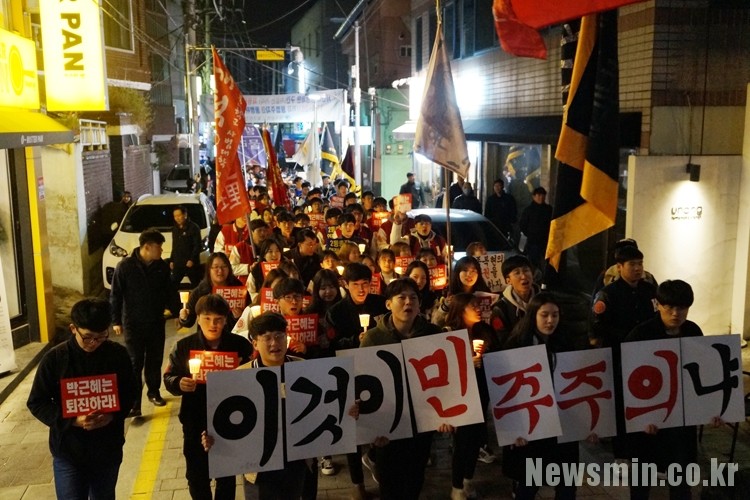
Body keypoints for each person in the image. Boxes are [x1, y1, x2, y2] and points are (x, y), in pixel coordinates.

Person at [27, 298, 136, 500]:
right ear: (73, 329)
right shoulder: (55, 359)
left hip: (107, 450)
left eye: (101, 336)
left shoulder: (117, 355)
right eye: (87, 337)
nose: (94, 343)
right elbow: (37, 402)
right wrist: (74, 420)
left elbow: (130, 392)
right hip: (69, 452)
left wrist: (112, 416)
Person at [624, 280, 713, 500]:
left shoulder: (693, 331)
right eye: (669, 307)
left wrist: (714, 409)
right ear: (658, 304)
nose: (675, 313)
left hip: (681, 420)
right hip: (647, 420)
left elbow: (703, 374)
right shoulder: (641, 334)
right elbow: (627, 380)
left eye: (681, 307)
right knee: (642, 479)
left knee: (681, 479)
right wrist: (639, 418)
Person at [360, 279, 445, 500]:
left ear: (419, 304)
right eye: (401, 297)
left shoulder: (434, 334)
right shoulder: (373, 338)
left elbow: (447, 380)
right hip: (388, 425)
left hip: (421, 422)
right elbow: (362, 384)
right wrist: (370, 430)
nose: (408, 302)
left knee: (416, 477)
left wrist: (448, 412)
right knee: (389, 482)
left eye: (413, 298)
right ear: (388, 304)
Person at [164, 294, 253, 500]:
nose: (213, 324)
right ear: (198, 317)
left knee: (226, 475)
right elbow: (169, 377)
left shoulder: (239, 346)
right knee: (197, 475)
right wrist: (179, 383)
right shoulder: (184, 347)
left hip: (231, 419)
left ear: (226, 319)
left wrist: (242, 373)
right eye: (207, 318)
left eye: (219, 319)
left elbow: (254, 376)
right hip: (195, 418)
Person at [501, 292, 579, 500]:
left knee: (566, 484)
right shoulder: (517, 344)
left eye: (555, 315)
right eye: (544, 315)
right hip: (531, 426)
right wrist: (512, 429)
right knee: (529, 484)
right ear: (533, 315)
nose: (550, 320)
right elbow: (507, 392)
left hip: (563, 425)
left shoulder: (566, 342)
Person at [591, 244, 657, 462]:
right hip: (619, 356)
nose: (638, 269)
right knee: (621, 405)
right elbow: (598, 326)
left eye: (640, 264)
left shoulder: (650, 292)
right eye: (633, 264)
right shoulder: (608, 294)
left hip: (647, 357)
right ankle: (621, 454)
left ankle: (646, 451)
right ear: (619, 267)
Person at [110, 228, 180, 416]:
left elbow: (170, 292)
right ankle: (134, 403)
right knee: (135, 362)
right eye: (159, 246)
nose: (161, 250)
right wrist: (115, 320)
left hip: (156, 321)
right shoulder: (125, 267)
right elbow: (115, 295)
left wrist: (177, 312)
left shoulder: (161, 267)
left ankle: (154, 391)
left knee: (155, 359)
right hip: (133, 323)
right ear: (147, 247)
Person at [443, 293, 497, 500]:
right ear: (460, 310)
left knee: (476, 439)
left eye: (478, 306)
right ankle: (456, 487)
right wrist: (467, 363)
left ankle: (467, 480)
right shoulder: (449, 334)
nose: (477, 309)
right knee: (463, 441)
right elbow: (443, 369)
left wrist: (485, 360)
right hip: (459, 395)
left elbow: (498, 356)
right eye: (471, 306)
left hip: (481, 393)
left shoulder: (485, 330)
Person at [178, 252, 245, 332]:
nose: (220, 271)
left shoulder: (238, 287)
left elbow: (248, 316)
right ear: (209, 269)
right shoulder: (200, 291)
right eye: (216, 267)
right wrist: (184, 317)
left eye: (224, 266)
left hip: (233, 336)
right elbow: (189, 322)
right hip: (207, 337)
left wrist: (239, 317)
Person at [489, 255, 539, 345]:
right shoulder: (500, 309)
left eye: (526, 270)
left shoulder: (545, 301)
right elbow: (503, 341)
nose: (523, 276)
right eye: (517, 273)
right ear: (508, 281)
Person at [432, 256, 491, 327]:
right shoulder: (447, 293)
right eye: (465, 270)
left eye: (473, 271)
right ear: (458, 272)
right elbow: (435, 323)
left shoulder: (485, 294)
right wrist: (445, 306)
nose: (469, 274)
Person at [518, 187, 553, 272]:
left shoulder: (549, 209)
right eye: (539, 195)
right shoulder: (528, 210)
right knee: (533, 265)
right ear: (534, 196)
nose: (541, 197)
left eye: (543, 195)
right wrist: (531, 234)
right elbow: (522, 225)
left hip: (546, 242)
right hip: (533, 242)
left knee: (547, 264)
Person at [171, 205, 203, 287]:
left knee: (196, 284)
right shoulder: (175, 229)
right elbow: (174, 246)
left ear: (185, 215)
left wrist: (192, 259)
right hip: (178, 262)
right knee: (173, 284)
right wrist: (172, 260)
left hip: (190, 263)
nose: (177, 218)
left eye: (179, 215)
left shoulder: (194, 228)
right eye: (175, 216)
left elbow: (197, 245)